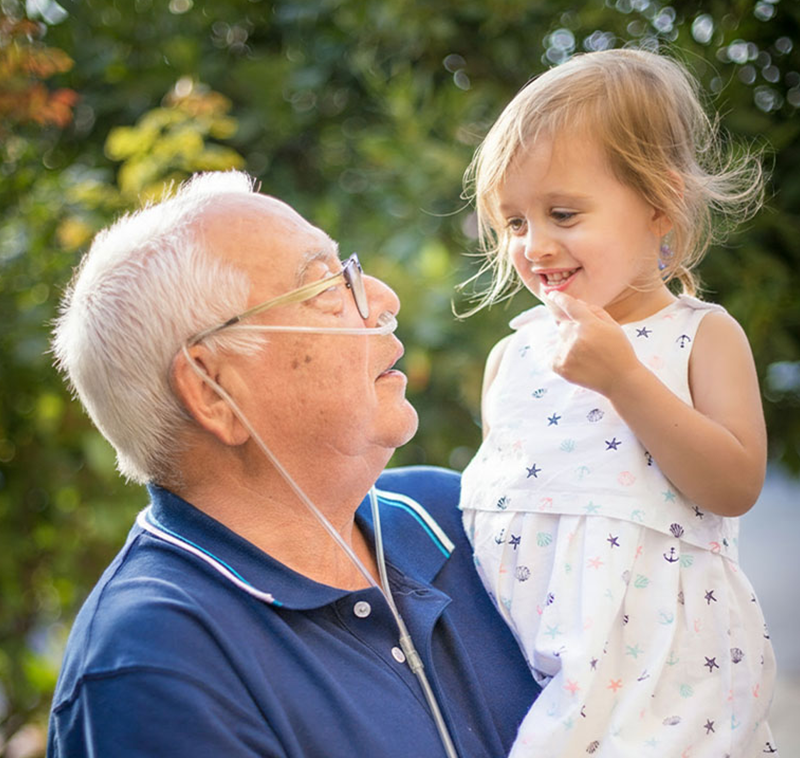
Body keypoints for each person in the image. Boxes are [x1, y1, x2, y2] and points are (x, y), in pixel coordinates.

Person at [47, 170, 539, 757]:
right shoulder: (153, 661)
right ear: (211, 389)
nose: (383, 300)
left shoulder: (460, 514)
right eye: (326, 286)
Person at [458, 48, 778, 757]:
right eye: (513, 223)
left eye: (563, 213)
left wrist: (625, 380)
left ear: (659, 202)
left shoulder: (699, 337)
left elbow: (733, 485)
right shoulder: (512, 355)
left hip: (664, 681)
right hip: (530, 670)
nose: (535, 245)